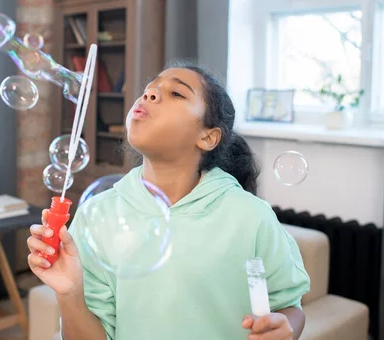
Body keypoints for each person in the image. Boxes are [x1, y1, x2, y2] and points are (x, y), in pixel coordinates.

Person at [27, 60, 311, 340]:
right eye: (149, 88)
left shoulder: (251, 215)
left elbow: (290, 308)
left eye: (177, 93)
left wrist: (284, 327)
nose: (149, 93)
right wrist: (70, 295)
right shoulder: (96, 215)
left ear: (208, 137)